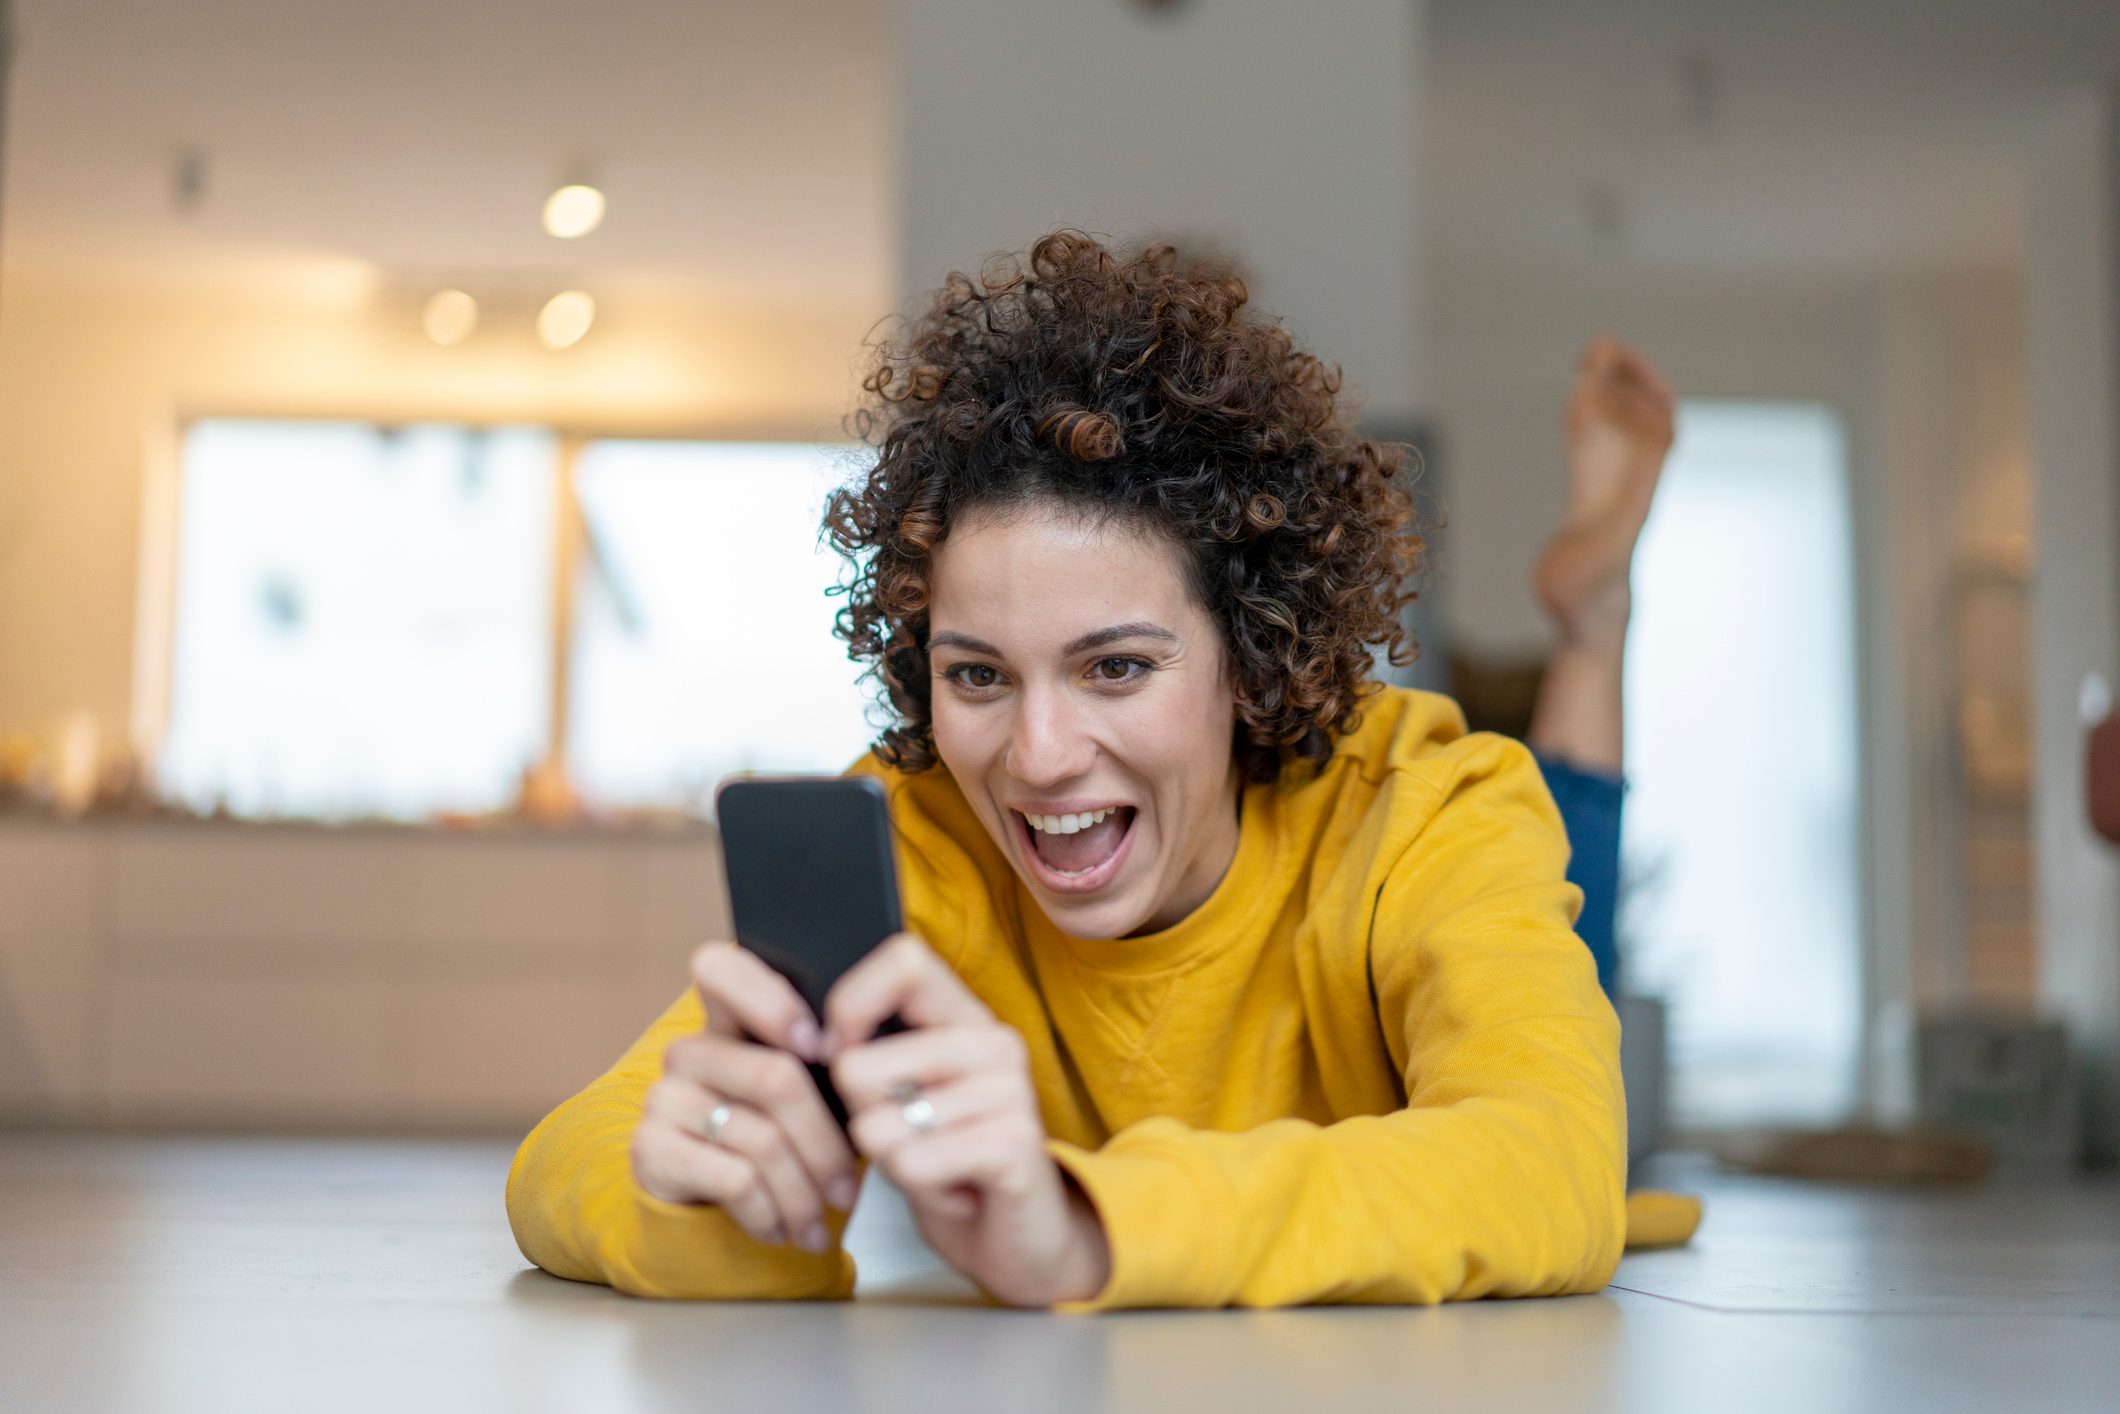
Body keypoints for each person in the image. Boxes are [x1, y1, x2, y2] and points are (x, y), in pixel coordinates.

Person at [506, 232, 1675, 1310]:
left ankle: (1591, 628)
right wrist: (694, 1197)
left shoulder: (1430, 808)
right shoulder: (919, 832)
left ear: (1248, 658)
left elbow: (1554, 1164)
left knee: (1564, 860)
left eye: (1114, 667)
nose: (1038, 756)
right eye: (976, 676)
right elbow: (562, 1159)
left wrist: (1084, 1230)